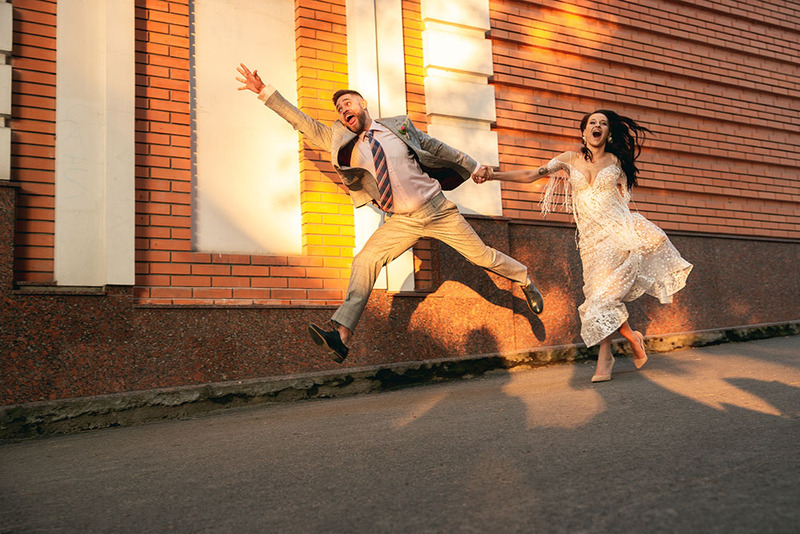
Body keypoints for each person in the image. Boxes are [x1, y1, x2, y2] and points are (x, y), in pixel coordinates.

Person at [235, 63, 543, 363]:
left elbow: (438, 148)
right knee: (365, 259)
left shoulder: (399, 126)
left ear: (362, 104)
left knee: (483, 258)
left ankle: (525, 277)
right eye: (339, 109)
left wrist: (474, 166)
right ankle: (341, 336)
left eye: (347, 103)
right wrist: (264, 91)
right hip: (402, 221)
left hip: (438, 210)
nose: (343, 110)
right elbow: (302, 122)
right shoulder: (341, 143)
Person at [474, 110, 692, 382]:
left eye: (603, 123)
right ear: (584, 132)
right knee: (599, 298)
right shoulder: (569, 159)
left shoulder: (616, 161)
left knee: (601, 299)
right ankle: (633, 339)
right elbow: (532, 174)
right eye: (592, 123)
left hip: (616, 235)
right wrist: (492, 175)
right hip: (589, 242)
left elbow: (623, 198)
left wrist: (633, 230)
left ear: (608, 133)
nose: (597, 126)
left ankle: (605, 357)